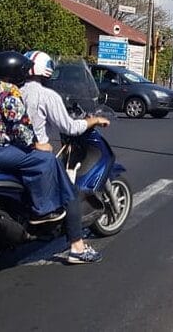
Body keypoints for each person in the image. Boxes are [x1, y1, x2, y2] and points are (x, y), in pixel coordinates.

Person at [21, 51, 109, 265]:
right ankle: (77, 248)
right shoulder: (46, 95)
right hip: (36, 153)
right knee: (69, 193)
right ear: (48, 71)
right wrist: (94, 120)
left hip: (11, 151)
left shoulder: (14, 91)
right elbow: (69, 126)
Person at [0, 51, 68, 224]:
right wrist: (36, 145)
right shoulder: (9, 91)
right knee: (44, 159)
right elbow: (20, 125)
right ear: (14, 73)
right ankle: (43, 210)